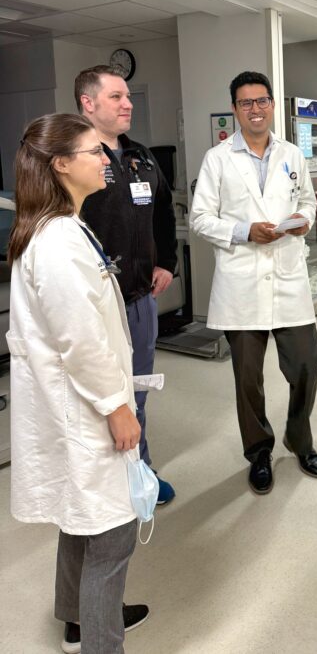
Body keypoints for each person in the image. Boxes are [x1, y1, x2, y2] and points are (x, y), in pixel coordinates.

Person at [7, 114, 149, 654]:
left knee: (79, 513)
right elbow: (80, 341)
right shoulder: (58, 242)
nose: (105, 160)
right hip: (86, 406)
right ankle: (99, 642)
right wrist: (117, 406)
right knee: (112, 535)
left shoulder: (59, 226)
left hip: (73, 402)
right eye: (94, 152)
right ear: (62, 164)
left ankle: (77, 617)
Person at [190, 70, 317, 494]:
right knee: (248, 379)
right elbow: (200, 218)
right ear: (235, 109)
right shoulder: (217, 158)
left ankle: (299, 439)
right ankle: (259, 451)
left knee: (306, 366)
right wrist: (244, 231)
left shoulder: (291, 154)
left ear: (272, 104)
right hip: (242, 282)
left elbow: (308, 200)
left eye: (262, 100)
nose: (255, 109)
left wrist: (303, 220)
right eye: (246, 102)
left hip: (288, 276)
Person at [75, 66, 177, 505]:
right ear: (88, 103)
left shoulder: (141, 157)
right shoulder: (74, 159)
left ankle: (139, 471)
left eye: (128, 96)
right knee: (101, 397)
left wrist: (166, 262)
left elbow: (163, 212)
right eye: (116, 96)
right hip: (96, 304)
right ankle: (108, 482)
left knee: (136, 393)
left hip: (139, 299)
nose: (127, 103)